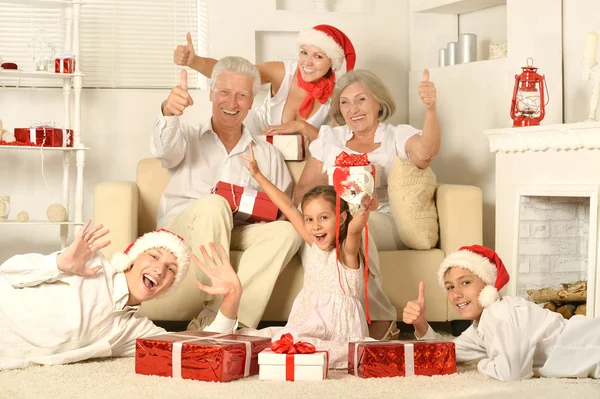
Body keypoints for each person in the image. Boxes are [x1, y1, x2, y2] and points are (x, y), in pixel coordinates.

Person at [154, 56, 303, 330]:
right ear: (211, 93)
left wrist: (268, 215)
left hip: (236, 230)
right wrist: (169, 112)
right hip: (183, 230)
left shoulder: (266, 154)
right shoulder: (186, 136)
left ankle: (228, 321)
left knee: (289, 232)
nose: (232, 103)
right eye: (224, 92)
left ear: (251, 101)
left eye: (242, 95)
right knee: (214, 204)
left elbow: (283, 209)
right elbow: (163, 151)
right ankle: (216, 310)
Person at [293, 68, 441, 339]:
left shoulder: (396, 135)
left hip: (381, 219)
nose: (353, 109)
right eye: (345, 102)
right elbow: (304, 188)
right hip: (332, 217)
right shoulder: (330, 138)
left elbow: (424, 155)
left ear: (378, 102)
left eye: (361, 99)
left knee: (357, 228)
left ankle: (382, 316)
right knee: (324, 232)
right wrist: (309, 217)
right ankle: (321, 318)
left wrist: (430, 110)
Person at [0, 221, 243, 370]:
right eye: (154, 256)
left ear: (169, 286)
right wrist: (58, 263)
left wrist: (232, 297)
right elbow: (9, 272)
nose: (160, 269)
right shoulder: (89, 266)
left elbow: (197, 350)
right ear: (132, 259)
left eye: (171, 269)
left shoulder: (135, 331)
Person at [235, 143, 373, 369]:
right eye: (309, 219)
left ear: (341, 218)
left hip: (338, 327)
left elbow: (356, 228)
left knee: (310, 348)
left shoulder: (346, 252)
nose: (315, 226)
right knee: (279, 339)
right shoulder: (315, 245)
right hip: (309, 320)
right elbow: (288, 207)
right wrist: (258, 175)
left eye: (324, 218)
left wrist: (362, 210)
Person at [402, 245, 600, 381]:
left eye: (466, 282)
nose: (456, 294)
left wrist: (482, 364)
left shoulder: (499, 313)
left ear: (489, 286)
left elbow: (512, 373)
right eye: (449, 287)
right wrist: (420, 323)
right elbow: (445, 352)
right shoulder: (480, 325)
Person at [173, 25, 356, 140]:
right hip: (253, 145)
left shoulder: (339, 95)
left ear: (332, 61)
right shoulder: (283, 72)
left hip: (298, 162)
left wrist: (303, 127)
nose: (307, 62)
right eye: (303, 52)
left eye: (318, 56)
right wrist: (194, 61)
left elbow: (339, 144)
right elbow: (234, 73)